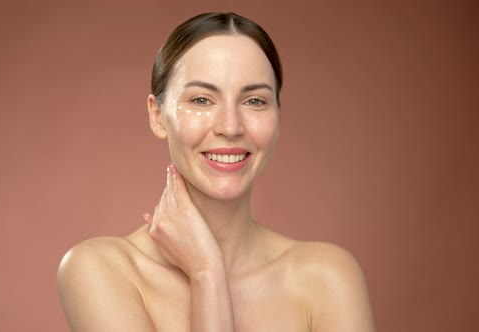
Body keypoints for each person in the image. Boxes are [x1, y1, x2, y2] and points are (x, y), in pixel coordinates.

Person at [57, 12, 375, 331]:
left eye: (254, 100)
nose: (230, 127)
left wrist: (205, 271)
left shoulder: (328, 277)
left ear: (278, 115)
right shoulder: (99, 269)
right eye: (201, 99)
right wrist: (207, 273)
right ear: (157, 117)